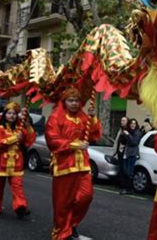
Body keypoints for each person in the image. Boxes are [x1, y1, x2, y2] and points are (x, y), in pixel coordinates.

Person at [45, 87, 102, 240]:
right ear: (64, 102)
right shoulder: (55, 118)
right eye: (71, 101)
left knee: (86, 195)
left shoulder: (83, 117)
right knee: (63, 201)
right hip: (64, 165)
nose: (74, 104)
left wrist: (93, 118)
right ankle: (62, 232)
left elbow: (94, 135)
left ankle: (71, 224)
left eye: (76, 101)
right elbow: (52, 140)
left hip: (82, 164)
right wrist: (74, 145)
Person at [0, 102, 36, 218]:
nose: (12, 116)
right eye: (9, 113)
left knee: (17, 186)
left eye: (14, 113)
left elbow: (29, 141)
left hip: (16, 162)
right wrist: (14, 138)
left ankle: (20, 207)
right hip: (0, 161)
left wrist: (27, 125)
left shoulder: (20, 128)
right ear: (5, 115)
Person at [119, 118, 142, 195]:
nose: (133, 125)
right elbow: (123, 141)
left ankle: (129, 189)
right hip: (126, 152)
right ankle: (126, 188)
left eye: (134, 123)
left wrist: (127, 134)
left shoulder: (137, 132)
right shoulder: (128, 131)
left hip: (132, 154)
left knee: (129, 171)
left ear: (136, 125)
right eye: (131, 123)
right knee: (125, 170)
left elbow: (134, 142)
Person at [113, 116, 128, 189]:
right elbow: (117, 141)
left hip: (124, 152)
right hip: (119, 151)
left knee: (124, 168)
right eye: (121, 120)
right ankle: (120, 182)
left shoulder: (127, 130)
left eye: (124, 121)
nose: (122, 122)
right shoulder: (120, 130)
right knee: (120, 167)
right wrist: (115, 151)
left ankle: (124, 184)